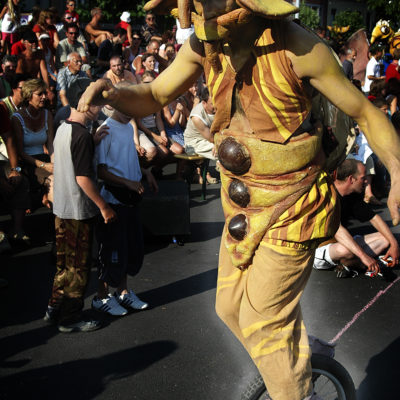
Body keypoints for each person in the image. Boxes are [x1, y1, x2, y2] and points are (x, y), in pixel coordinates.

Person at [78, 1, 400, 399]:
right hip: (243, 207)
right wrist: (112, 92)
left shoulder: (297, 46)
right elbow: (156, 93)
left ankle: (299, 390)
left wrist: (397, 170)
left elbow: (366, 112)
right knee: (230, 308)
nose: (198, 10)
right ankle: (295, 350)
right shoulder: (203, 45)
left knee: (263, 321)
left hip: (293, 208)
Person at [44, 77, 116, 333]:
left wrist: (92, 142)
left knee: (63, 264)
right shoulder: (82, 136)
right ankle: (70, 317)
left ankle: (54, 307)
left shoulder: (64, 128)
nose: (101, 108)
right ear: (88, 104)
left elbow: (70, 157)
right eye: (99, 103)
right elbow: (83, 178)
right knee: (78, 267)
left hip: (61, 209)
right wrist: (103, 206)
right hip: (77, 211)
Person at [92, 98, 158, 315]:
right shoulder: (106, 129)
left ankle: (122, 292)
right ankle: (101, 297)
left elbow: (125, 159)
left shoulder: (129, 127)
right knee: (110, 250)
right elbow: (101, 171)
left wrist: (144, 173)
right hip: (113, 199)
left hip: (131, 199)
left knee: (128, 248)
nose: (131, 110)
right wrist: (127, 182)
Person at [314, 159, 399, 276]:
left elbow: (374, 218)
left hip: (342, 242)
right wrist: (363, 256)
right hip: (318, 249)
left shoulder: (352, 195)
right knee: (346, 250)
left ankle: (350, 263)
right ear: (351, 179)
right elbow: (337, 230)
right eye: (363, 178)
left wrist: (394, 244)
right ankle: (358, 263)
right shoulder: (327, 195)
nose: (366, 181)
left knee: (385, 238)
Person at [11, 78, 54, 209]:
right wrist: (44, 165)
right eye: (40, 94)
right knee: (54, 181)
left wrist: (54, 163)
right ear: (29, 96)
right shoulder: (17, 118)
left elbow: (51, 144)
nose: (44, 97)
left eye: (45, 93)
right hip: (28, 162)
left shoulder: (47, 114)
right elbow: (20, 152)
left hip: (44, 159)